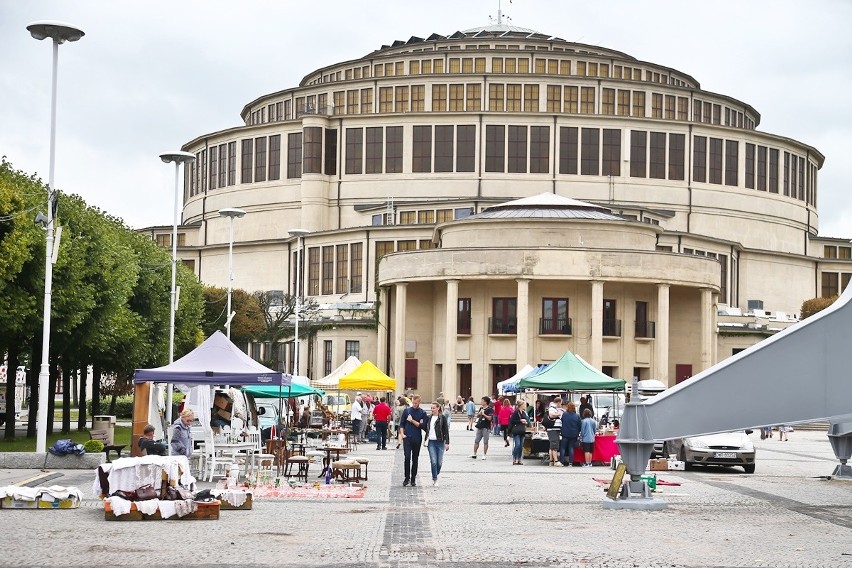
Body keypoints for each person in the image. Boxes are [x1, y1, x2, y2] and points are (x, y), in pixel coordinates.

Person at [399, 394, 427, 487]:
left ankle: (413, 478)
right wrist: (402, 434)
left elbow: (422, 426)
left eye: (416, 403)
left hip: (417, 438)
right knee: (407, 458)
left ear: (419, 402)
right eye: (413, 403)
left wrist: (412, 421)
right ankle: (406, 477)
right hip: (407, 438)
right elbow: (401, 424)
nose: (414, 404)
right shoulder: (406, 411)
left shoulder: (422, 413)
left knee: (415, 458)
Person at [424, 401, 450, 487]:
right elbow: (424, 427)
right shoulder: (429, 418)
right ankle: (435, 478)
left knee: (439, 462)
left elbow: (446, 431)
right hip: (431, 442)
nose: (432, 409)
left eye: (434, 408)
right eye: (431, 408)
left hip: (440, 441)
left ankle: (436, 472)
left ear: (438, 408)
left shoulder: (442, 418)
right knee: (434, 461)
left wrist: (447, 443)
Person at [471, 396, 493, 460]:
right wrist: (479, 413)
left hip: (486, 427)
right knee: (476, 440)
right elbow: (477, 415)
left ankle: (484, 454)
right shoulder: (481, 408)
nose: (481, 402)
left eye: (482, 401)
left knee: (485, 441)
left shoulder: (490, 409)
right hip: (480, 426)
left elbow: (490, 418)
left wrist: (484, 414)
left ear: (485, 402)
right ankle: (474, 453)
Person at [544, 397, 564, 466]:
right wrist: (558, 414)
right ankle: (556, 461)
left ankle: (551, 460)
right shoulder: (552, 407)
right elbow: (551, 415)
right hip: (553, 429)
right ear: (558, 402)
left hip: (553, 429)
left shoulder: (553, 407)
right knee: (555, 444)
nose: (560, 405)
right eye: (560, 403)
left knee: (551, 445)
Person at [508, 400, 529, 465]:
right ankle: (514, 459)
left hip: (522, 430)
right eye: (524, 404)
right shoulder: (516, 412)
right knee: (517, 445)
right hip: (517, 430)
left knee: (521, 446)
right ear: (521, 405)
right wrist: (520, 421)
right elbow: (512, 421)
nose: (525, 406)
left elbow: (527, 419)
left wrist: (526, 422)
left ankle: (519, 459)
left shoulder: (524, 412)